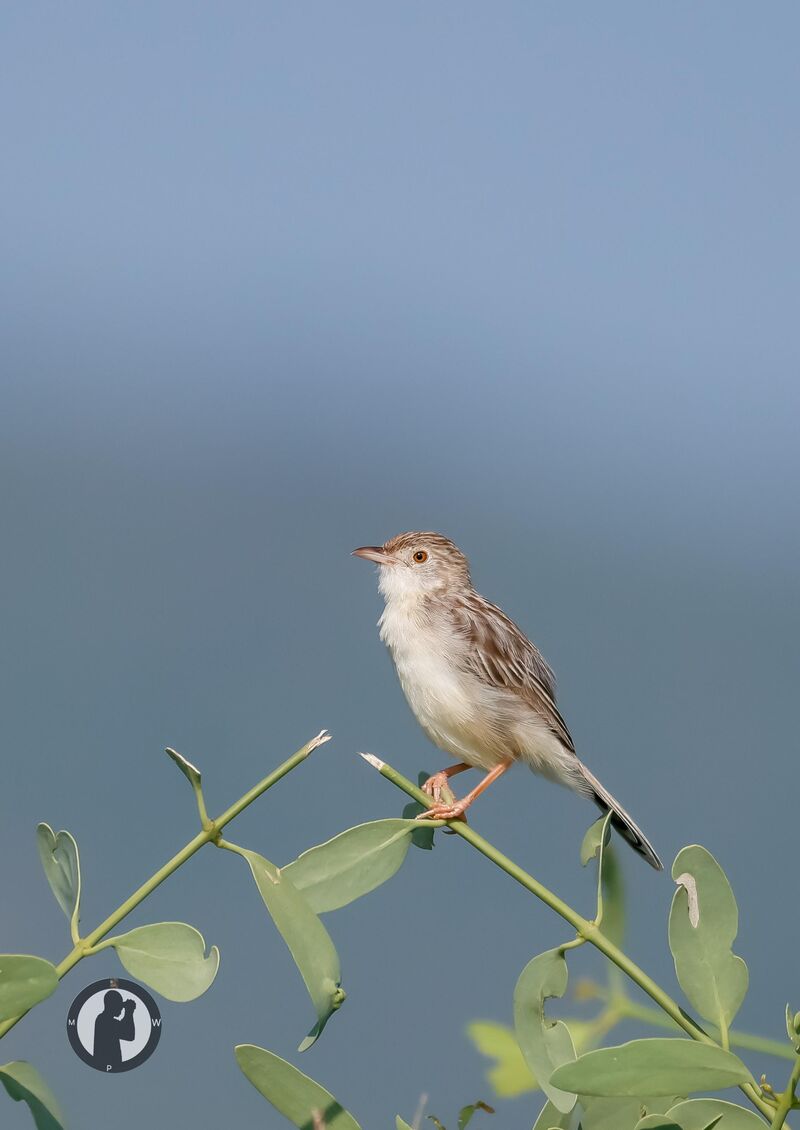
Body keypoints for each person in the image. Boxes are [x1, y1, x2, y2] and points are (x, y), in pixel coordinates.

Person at [92, 989, 136, 1070]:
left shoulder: (103, 1019)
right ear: (112, 1005)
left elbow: (121, 1028)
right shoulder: (104, 1020)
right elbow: (129, 1035)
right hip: (107, 1063)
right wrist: (129, 1012)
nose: (121, 1008)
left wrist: (128, 1012)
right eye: (119, 1005)